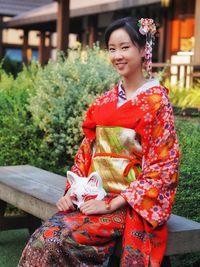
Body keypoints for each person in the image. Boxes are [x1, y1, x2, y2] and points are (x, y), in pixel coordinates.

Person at [19, 17, 180, 267]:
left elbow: (163, 169)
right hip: (94, 197)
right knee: (44, 236)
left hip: (128, 204)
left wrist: (112, 204)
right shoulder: (103, 102)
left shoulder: (157, 103)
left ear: (142, 48)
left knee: (53, 239)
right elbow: (86, 154)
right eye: (112, 49)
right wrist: (73, 191)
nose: (117, 56)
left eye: (125, 47)